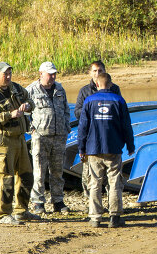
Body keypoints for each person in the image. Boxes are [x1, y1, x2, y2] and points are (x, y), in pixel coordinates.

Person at [0, 61, 38, 225]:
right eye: (5, 74)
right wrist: (9, 115)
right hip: (3, 139)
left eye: (10, 73)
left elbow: (31, 101)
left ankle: (22, 211)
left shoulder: (17, 88)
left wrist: (27, 106)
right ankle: (4, 213)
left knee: (27, 175)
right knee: (6, 177)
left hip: (20, 138)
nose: (8, 76)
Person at [77, 71, 135, 228]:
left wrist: (81, 148)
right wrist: (130, 146)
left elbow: (83, 127)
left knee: (94, 182)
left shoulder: (89, 101)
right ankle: (114, 217)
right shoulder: (119, 100)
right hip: (113, 148)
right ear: (110, 84)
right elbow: (126, 126)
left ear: (97, 84)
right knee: (115, 181)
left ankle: (95, 217)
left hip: (93, 149)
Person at [26, 60, 71, 215]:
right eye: (49, 74)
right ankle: (38, 202)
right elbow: (24, 113)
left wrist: (66, 127)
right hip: (41, 137)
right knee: (39, 171)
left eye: (54, 74)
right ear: (41, 74)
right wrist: (31, 129)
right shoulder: (31, 90)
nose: (52, 77)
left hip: (59, 137)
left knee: (57, 171)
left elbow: (66, 109)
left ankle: (58, 201)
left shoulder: (60, 89)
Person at [74, 60, 121, 197]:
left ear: (105, 71)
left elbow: (120, 113)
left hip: (109, 138)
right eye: (94, 71)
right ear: (90, 73)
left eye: (100, 70)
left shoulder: (114, 89)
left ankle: (111, 203)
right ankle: (92, 204)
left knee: (111, 176)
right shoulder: (84, 91)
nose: (97, 73)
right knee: (90, 175)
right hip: (91, 139)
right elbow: (77, 112)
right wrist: (93, 113)